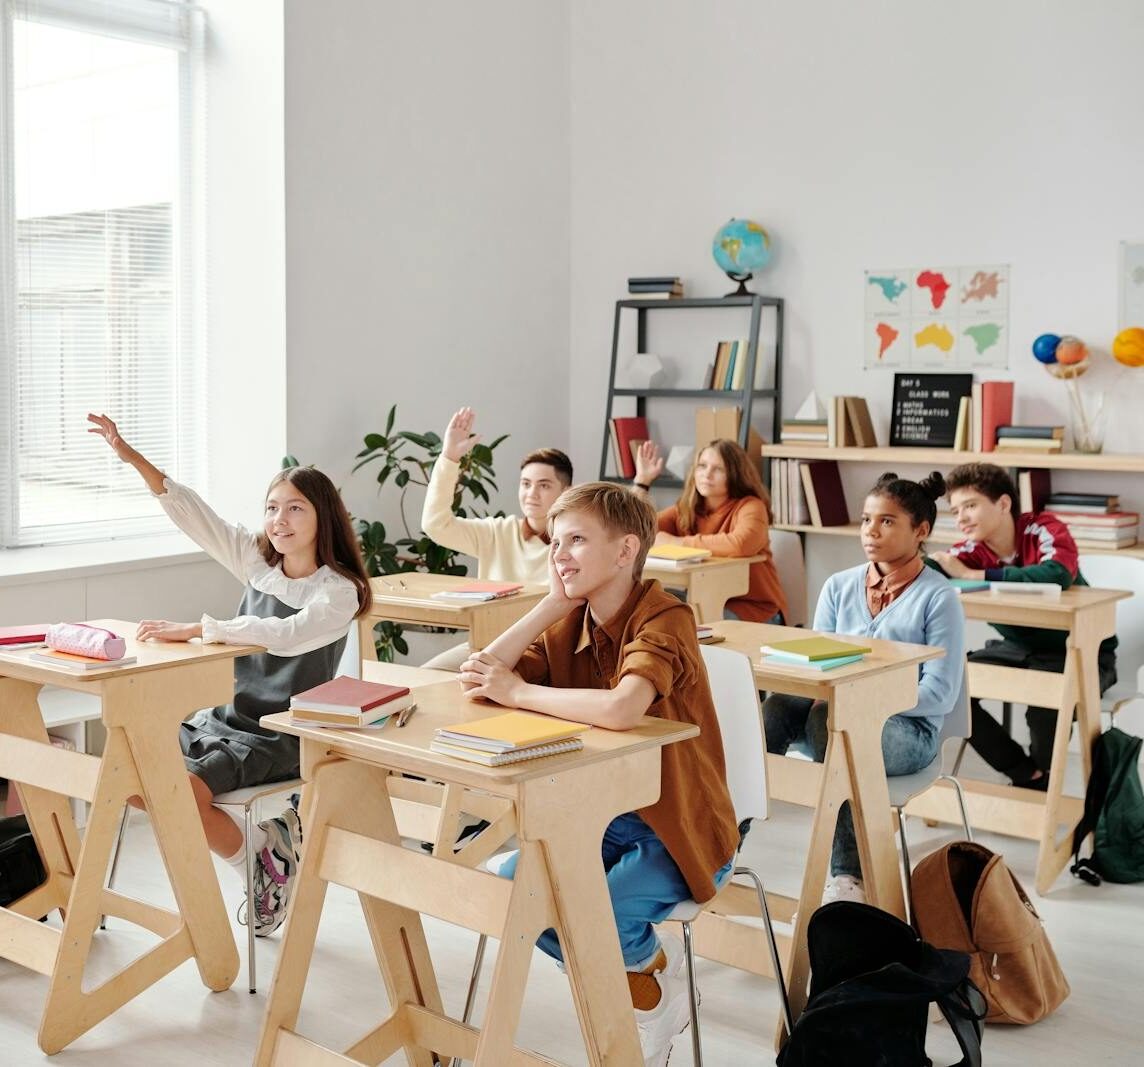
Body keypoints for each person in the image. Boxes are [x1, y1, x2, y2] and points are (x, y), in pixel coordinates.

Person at [458, 482, 739, 1066]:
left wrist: (518, 691)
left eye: (577, 540)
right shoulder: (571, 621)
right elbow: (481, 674)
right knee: (513, 896)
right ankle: (653, 978)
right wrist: (549, 606)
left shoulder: (667, 616)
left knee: (601, 917)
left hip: (680, 825)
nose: (560, 553)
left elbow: (621, 707)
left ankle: (637, 981)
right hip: (602, 818)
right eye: (556, 541)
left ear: (624, 550)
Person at [87, 413, 371, 935]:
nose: (279, 520)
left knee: (184, 794)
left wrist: (200, 628)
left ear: (322, 517)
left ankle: (259, 863)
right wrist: (132, 459)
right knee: (129, 775)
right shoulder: (260, 563)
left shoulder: (337, 591)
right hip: (224, 718)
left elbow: (286, 635)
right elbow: (195, 516)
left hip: (281, 733)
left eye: (294, 509)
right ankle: (264, 851)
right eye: (271, 508)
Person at [763, 472, 965, 904]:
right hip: (838, 717)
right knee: (778, 705)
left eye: (888, 522)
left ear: (921, 531)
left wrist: (862, 705)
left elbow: (941, 695)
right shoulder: (838, 586)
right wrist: (838, 699)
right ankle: (720, 842)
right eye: (866, 519)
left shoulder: (938, 597)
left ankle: (847, 876)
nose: (871, 531)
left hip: (911, 733)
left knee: (832, 722)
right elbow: (816, 667)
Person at [927, 462, 1117, 790]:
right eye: (956, 510)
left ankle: (1040, 790)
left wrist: (977, 576)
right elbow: (933, 570)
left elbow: (1057, 574)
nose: (961, 518)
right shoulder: (971, 551)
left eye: (970, 506)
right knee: (947, 687)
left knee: (1045, 707)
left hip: (1082, 652)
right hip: (1018, 650)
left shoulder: (1044, 527)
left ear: (1003, 504)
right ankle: (1026, 774)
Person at [419, 405, 573, 669]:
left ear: (566, 491)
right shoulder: (497, 532)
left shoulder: (576, 541)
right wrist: (449, 458)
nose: (531, 494)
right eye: (525, 484)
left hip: (547, 651)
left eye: (544, 485)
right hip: (487, 645)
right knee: (425, 676)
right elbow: (436, 525)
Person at [633, 437, 787, 622]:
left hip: (753, 609)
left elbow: (741, 545)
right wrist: (642, 481)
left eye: (718, 469)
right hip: (701, 598)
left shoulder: (751, 506)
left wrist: (676, 543)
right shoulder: (686, 508)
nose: (707, 474)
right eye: (702, 466)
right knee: (646, 608)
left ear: (735, 474)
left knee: (676, 621)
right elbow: (632, 525)